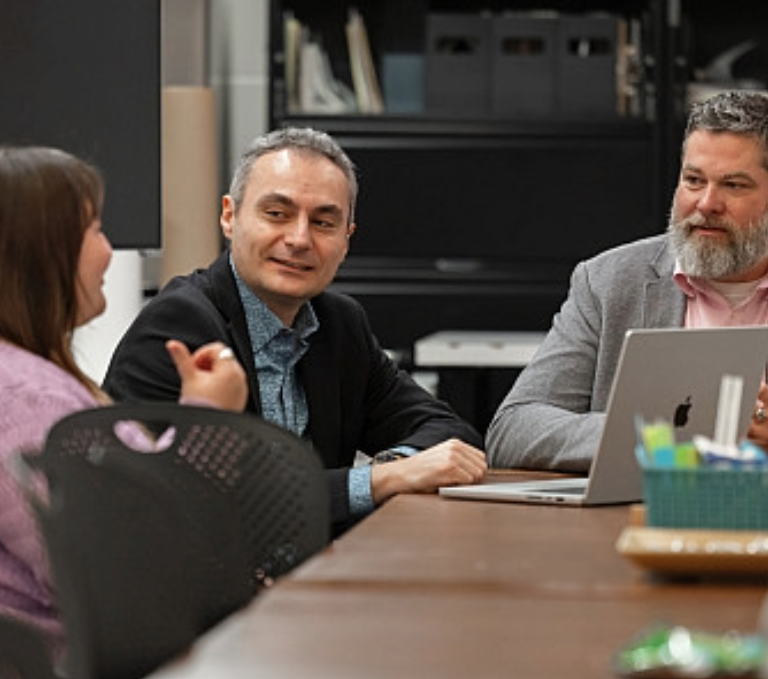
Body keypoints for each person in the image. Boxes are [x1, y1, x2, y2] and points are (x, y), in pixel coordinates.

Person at [103, 127, 486, 537]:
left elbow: (447, 430)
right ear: (230, 217)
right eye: (277, 214)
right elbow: (214, 500)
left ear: (346, 240)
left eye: (323, 222)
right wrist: (383, 481)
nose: (300, 239)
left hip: (311, 577)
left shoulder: (339, 324)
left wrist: (396, 465)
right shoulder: (179, 325)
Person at [0, 146, 248, 650]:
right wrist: (209, 421)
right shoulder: (29, 401)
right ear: (42, 252)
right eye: (94, 229)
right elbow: (135, 575)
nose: (110, 251)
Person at [487, 89, 768, 471]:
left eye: (734, 185)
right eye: (693, 180)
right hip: (638, 521)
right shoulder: (609, 281)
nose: (706, 204)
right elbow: (514, 429)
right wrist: (667, 436)